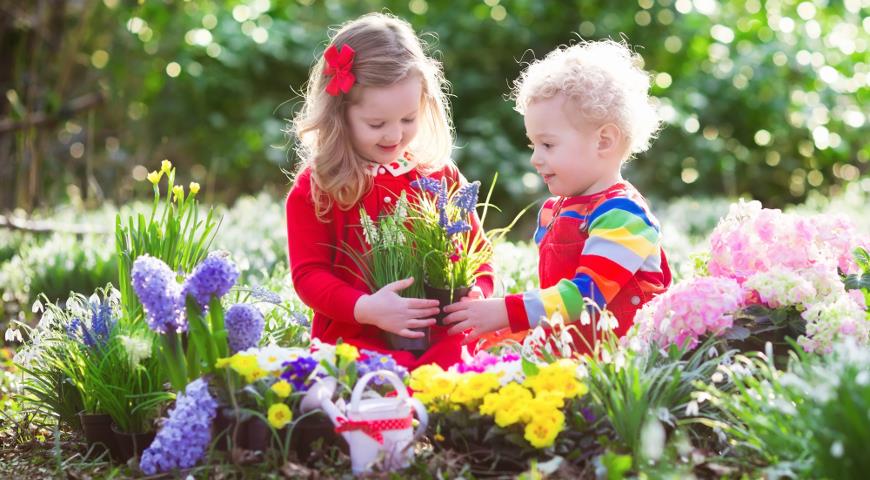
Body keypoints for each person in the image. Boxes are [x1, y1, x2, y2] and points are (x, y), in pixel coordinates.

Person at [285, 13, 493, 369]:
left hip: (438, 337)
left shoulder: (437, 175)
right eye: (376, 124)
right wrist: (366, 309)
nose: (394, 135)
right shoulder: (319, 187)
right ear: (340, 114)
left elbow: (478, 251)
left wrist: (478, 292)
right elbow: (309, 276)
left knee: (455, 378)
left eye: (408, 119)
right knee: (366, 385)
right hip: (354, 340)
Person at [444, 39, 671, 353]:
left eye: (547, 145)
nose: (535, 158)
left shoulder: (623, 215)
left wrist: (504, 311)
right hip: (573, 360)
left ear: (603, 141)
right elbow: (555, 307)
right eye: (532, 145)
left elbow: (585, 298)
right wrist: (511, 327)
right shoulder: (556, 210)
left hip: (622, 372)